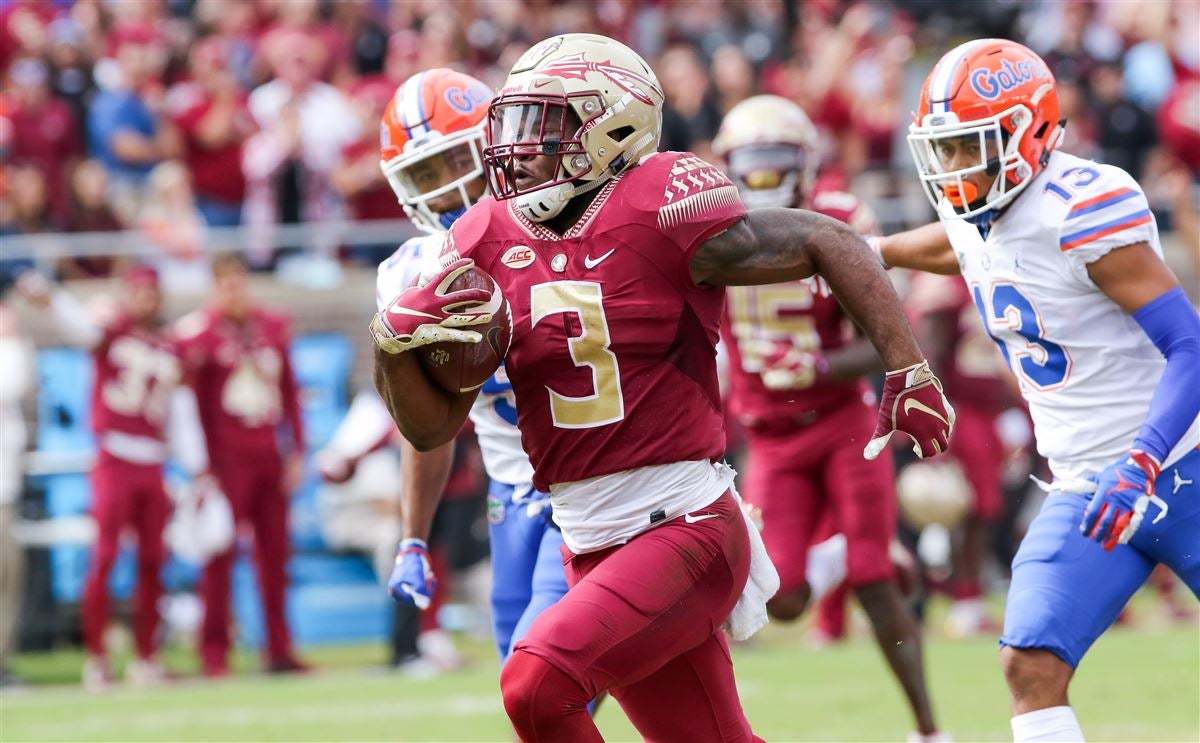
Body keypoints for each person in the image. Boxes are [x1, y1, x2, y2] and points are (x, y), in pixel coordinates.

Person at [371, 33, 954, 742]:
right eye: (517, 126)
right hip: (586, 537)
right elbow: (431, 429)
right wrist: (395, 350)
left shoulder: (659, 202)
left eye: (543, 127)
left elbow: (827, 238)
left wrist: (906, 366)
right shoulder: (482, 234)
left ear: (612, 127)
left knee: (536, 683)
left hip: (683, 523)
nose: (518, 150)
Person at [873, 38, 1199, 743]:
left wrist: (1142, 459)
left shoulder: (1081, 209)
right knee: (1030, 663)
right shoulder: (987, 214)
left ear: (1030, 131)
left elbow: (1190, 346)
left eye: (970, 146)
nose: (954, 167)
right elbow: (959, 244)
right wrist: (867, 250)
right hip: (1087, 484)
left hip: (1179, 465)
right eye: (947, 148)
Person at [713, 94, 945, 743]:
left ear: (805, 163)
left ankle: (929, 730)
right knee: (778, 600)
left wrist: (815, 361)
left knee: (875, 578)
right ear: (729, 167)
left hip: (844, 422)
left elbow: (886, 338)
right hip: (769, 437)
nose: (762, 181)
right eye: (750, 167)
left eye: (773, 165)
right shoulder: (708, 229)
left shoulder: (840, 218)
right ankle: (840, 550)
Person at [370, 68, 577, 673]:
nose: (442, 190)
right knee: (531, 686)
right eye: (423, 176)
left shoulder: (565, 226)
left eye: (449, 163)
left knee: (546, 678)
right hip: (510, 496)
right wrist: (413, 537)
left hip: (591, 486)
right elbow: (426, 425)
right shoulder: (406, 275)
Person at [16, 266, 211, 690]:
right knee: (103, 559)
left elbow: (178, 412)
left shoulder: (170, 346)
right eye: (139, 292)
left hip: (153, 461)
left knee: (153, 562)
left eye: (152, 292)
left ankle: (146, 657)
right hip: (115, 456)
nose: (146, 300)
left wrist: (196, 466)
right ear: (127, 294)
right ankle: (98, 658)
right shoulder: (111, 329)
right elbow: (79, 328)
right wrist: (51, 298)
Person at [176, 252, 309, 677]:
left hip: (268, 450)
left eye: (239, 282)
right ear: (214, 287)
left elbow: (290, 391)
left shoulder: (270, 326)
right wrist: (202, 465)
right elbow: (191, 405)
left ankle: (279, 649)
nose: (233, 291)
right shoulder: (198, 334)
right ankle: (214, 653)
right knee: (220, 553)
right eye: (225, 284)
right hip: (227, 459)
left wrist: (297, 450)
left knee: (275, 556)